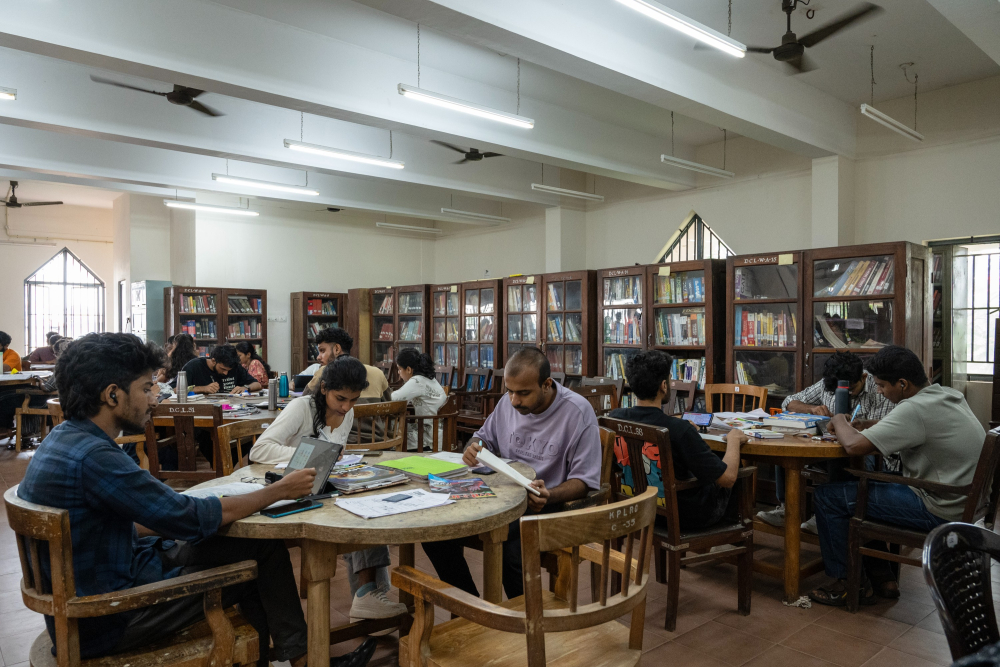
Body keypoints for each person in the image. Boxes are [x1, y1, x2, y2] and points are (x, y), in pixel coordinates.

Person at [16, 332, 377, 667]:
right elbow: (186, 518)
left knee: (254, 548)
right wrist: (277, 490)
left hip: (101, 587)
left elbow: (138, 516)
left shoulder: (66, 439)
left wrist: (185, 511)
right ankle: (300, 658)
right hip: (110, 615)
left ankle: (302, 659)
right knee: (257, 560)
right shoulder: (95, 457)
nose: (154, 397)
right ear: (113, 395)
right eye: (145, 388)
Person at [807, 345, 987, 607]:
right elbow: (912, 426)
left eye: (881, 386)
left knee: (828, 497)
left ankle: (846, 584)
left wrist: (839, 419)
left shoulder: (913, 409)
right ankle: (881, 577)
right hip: (963, 502)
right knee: (859, 490)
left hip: (938, 509)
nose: (878, 391)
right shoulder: (945, 395)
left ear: (902, 383)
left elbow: (853, 446)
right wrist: (869, 425)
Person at [421, 347, 601, 599]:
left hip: (544, 505)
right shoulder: (509, 403)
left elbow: (585, 481)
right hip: (501, 496)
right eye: (510, 391)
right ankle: (471, 608)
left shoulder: (578, 413)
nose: (514, 401)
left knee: (507, 550)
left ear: (547, 384)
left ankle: (527, 622)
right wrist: (475, 447)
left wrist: (549, 494)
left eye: (524, 393)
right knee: (435, 531)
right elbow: (482, 438)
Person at [249, 358, 408, 627]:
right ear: (323, 388)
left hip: (320, 486)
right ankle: (369, 594)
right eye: (340, 398)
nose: (346, 407)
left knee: (367, 500)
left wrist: (334, 463)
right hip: (285, 489)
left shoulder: (347, 415)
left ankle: (371, 593)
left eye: (353, 400)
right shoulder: (302, 408)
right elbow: (259, 451)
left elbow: (334, 459)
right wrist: (313, 454)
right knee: (355, 509)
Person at [757, 351, 896, 535]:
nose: (845, 395)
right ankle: (787, 509)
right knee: (786, 444)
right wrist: (812, 408)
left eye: (850, 390)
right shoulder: (828, 383)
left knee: (841, 454)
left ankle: (827, 512)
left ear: (863, 377)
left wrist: (853, 427)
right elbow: (789, 402)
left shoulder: (879, 389)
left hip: (866, 454)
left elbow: (884, 430)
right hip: (828, 443)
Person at [609, 350, 747, 530]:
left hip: (636, 507)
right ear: (664, 385)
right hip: (682, 516)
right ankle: (731, 538)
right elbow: (728, 479)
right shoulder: (679, 430)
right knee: (735, 466)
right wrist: (734, 439)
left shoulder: (615, 418)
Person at [304, 328, 389, 400]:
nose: (318, 357)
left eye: (322, 350)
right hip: (373, 420)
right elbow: (391, 409)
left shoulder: (324, 371)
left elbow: (303, 404)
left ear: (337, 349)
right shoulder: (377, 373)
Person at [391, 349, 447, 451]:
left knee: (392, 427)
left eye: (399, 369)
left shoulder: (417, 381)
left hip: (430, 438)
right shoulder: (428, 378)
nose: (399, 373)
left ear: (408, 369)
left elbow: (393, 399)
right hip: (440, 433)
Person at [179, 344, 262, 395]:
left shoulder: (235, 366)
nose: (226, 373)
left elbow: (257, 384)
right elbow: (176, 389)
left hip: (232, 408)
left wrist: (246, 387)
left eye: (229, 370)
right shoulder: (194, 366)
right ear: (213, 361)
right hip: (204, 410)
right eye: (223, 369)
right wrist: (203, 389)